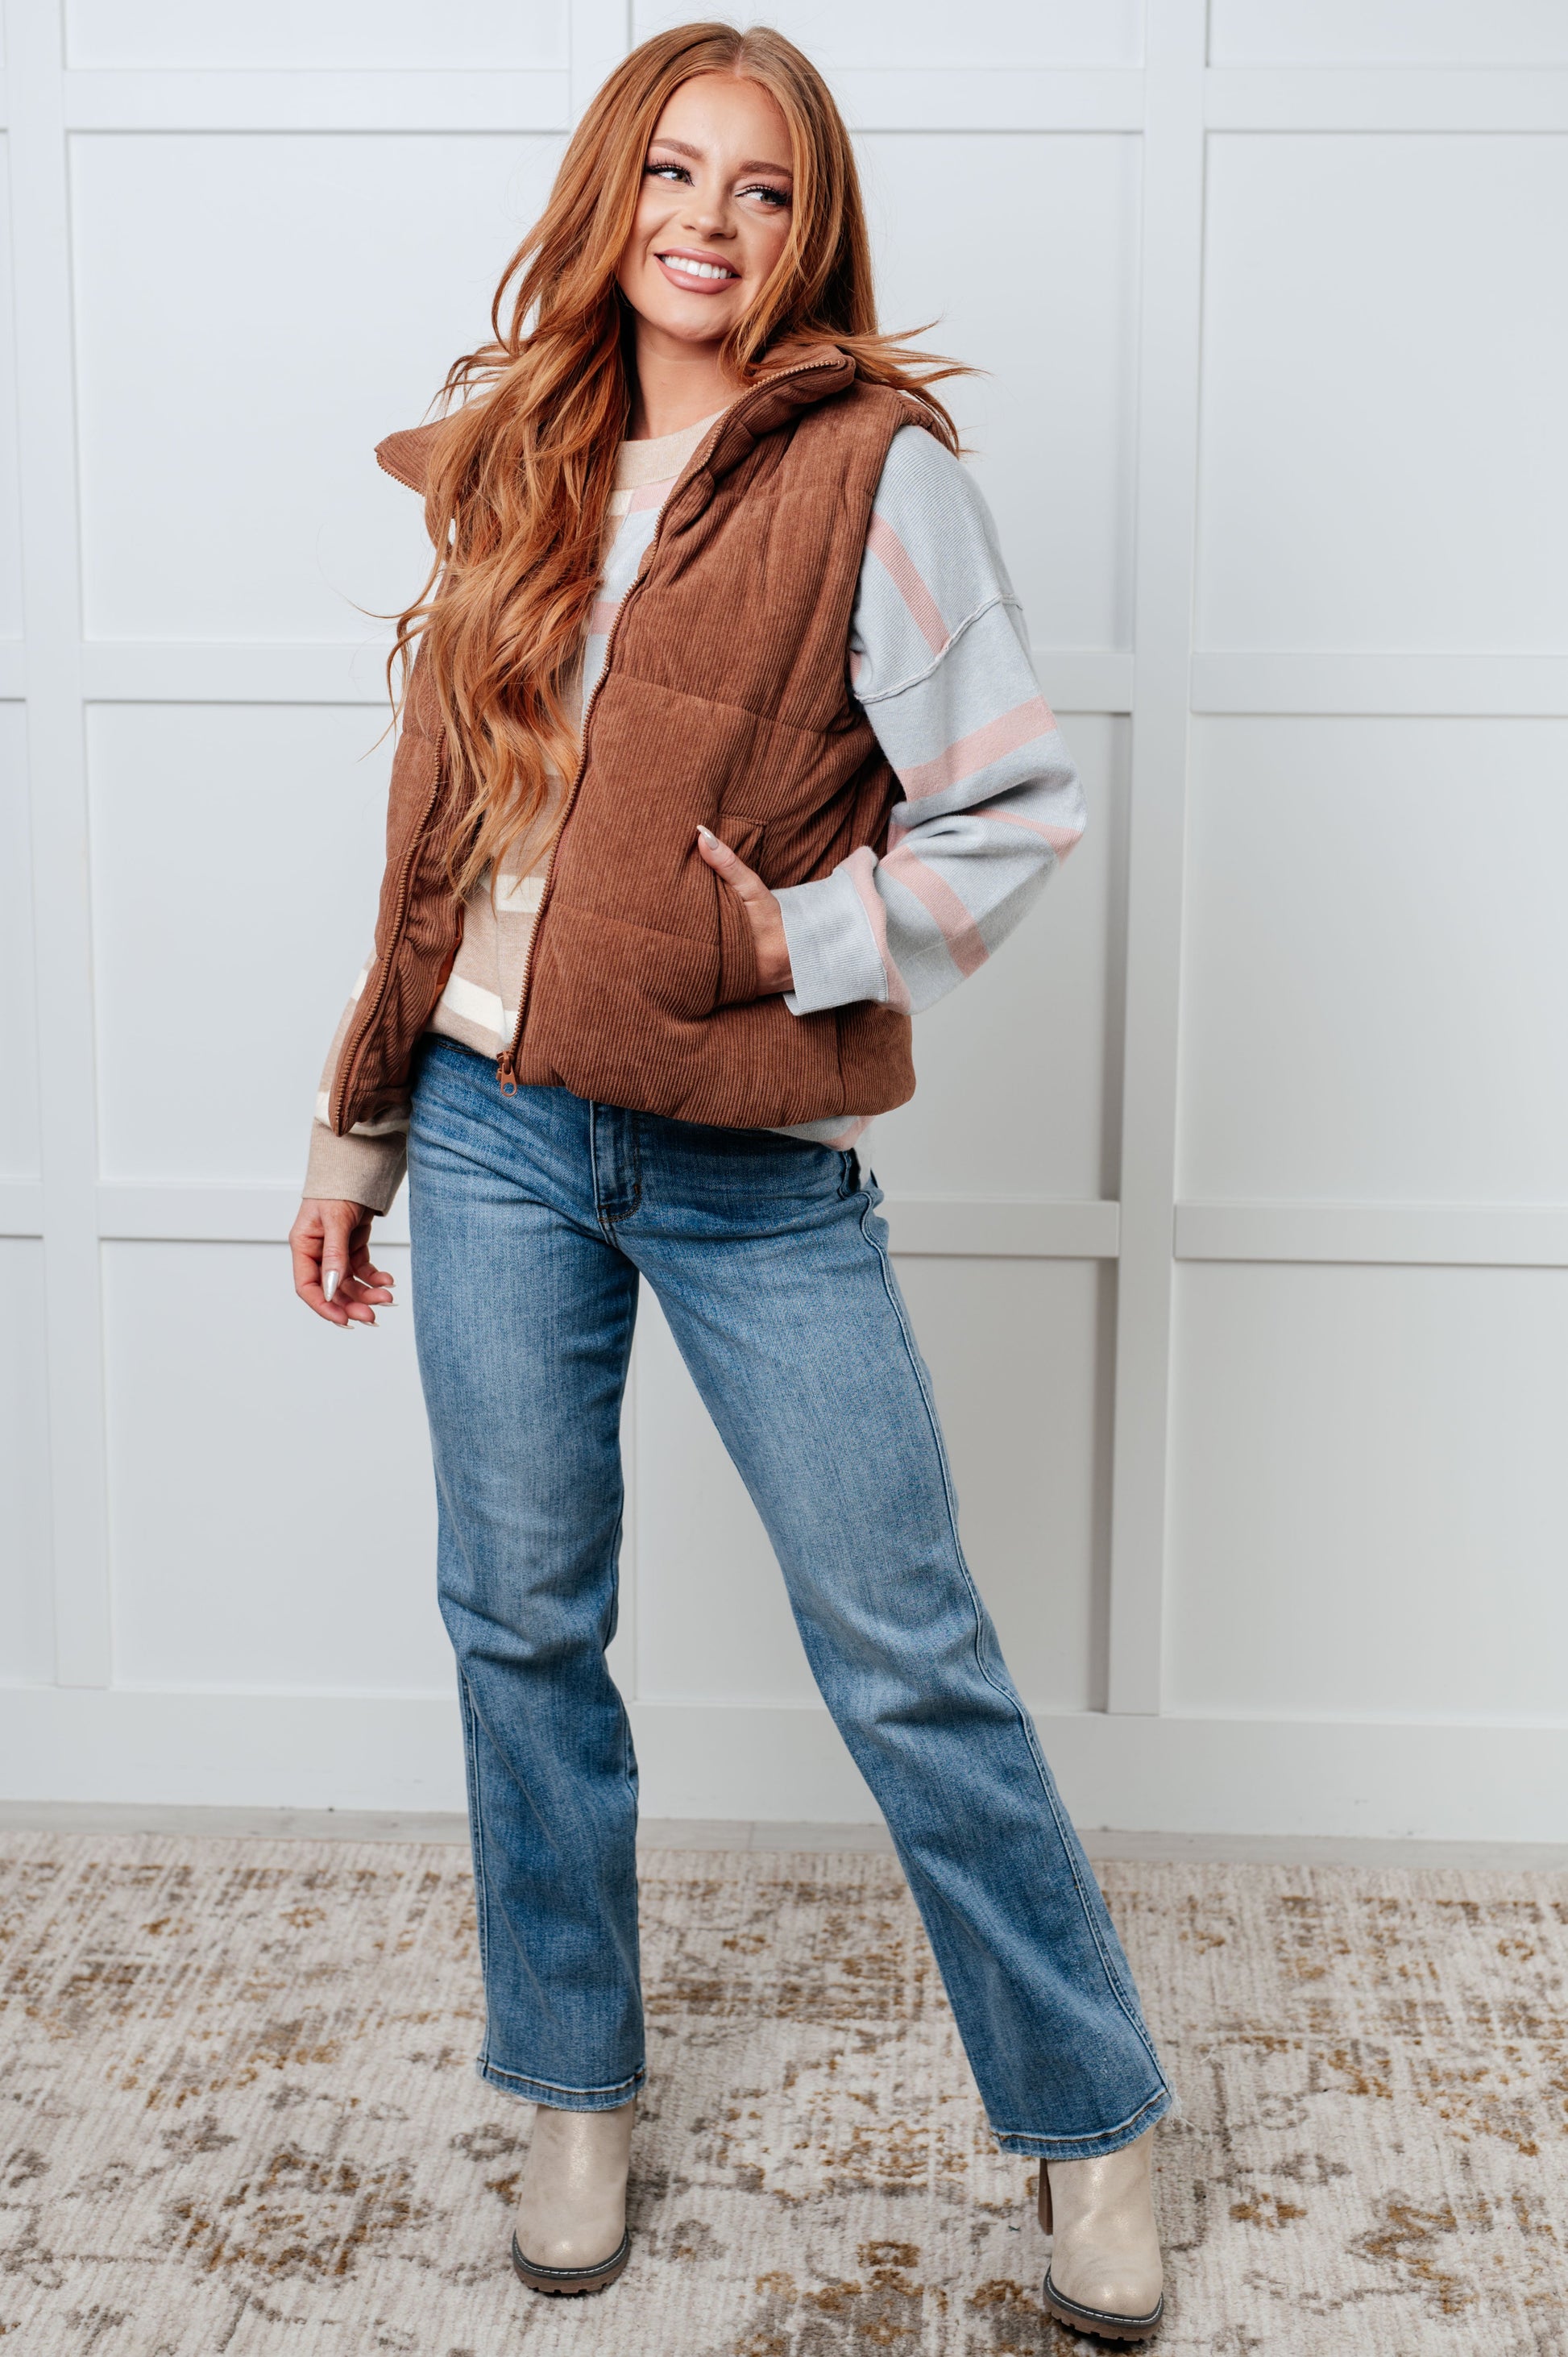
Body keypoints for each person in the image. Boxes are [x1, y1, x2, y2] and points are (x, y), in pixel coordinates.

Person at [288, 21, 1171, 2339]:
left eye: (760, 189)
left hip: (743, 1162)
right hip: (492, 1131)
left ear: (809, 233)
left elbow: (1013, 802)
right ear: (611, 194)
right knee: (519, 1625)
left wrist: (799, 940)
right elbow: (436, 839)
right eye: (672, 172)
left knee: (906, 1652)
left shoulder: (873, 471)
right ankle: (573, 2089)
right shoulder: (521, 454)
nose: (706, 220)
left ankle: (1087, 2123)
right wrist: (362, 1124)